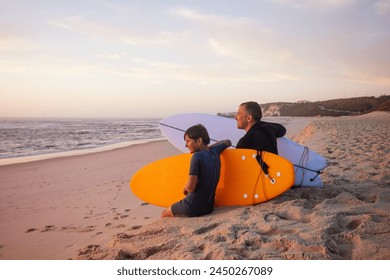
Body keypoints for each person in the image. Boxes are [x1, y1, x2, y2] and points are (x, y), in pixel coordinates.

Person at [161, 124, 231, 218]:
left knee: (164, 213)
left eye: (188, 141)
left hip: (191, 207)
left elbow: (191, 188)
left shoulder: (196, 157)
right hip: (208, 208)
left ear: (199, 141)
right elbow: (228, 141)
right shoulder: (215, 151)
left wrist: (185, 188)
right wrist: (207, 148)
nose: (186, 145)